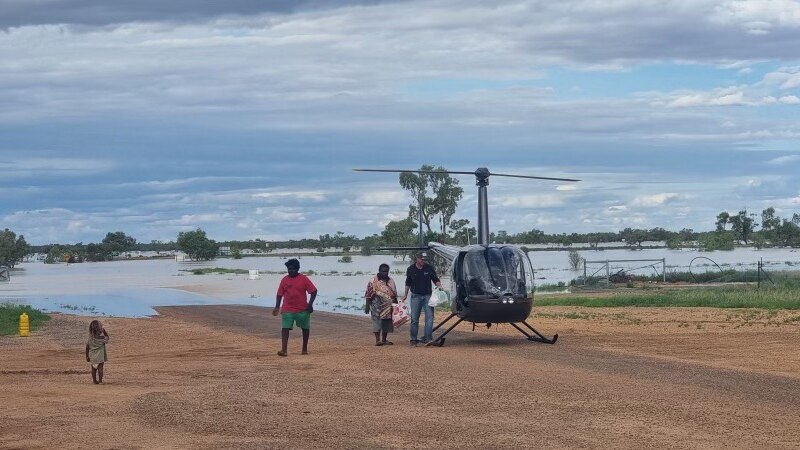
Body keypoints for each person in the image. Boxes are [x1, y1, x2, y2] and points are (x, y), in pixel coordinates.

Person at [273, 258, 317, 357]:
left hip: (303, 309)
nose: (290, 271)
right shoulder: (284, 279)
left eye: (292, 269)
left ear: (297, 269)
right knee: (285, 328)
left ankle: (304, 349)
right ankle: (284, 350)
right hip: (287, 308)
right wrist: (277, 307)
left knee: (305, 328)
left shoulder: (304, 279)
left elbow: (313, 291)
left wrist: (310, 305)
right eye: (289, 269)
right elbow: (279, 294)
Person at [401, 252, 442, 346]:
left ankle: (428, 338)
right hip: (415, 296)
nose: (423, 261)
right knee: (414, 318)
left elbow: (435, 279)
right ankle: (413, 339)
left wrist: (439, 286)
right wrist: (405, 295)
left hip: (428, 296)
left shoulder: (429, 268)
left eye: (425, 259)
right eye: (422, 259)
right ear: (417, 259)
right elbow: (408, 283)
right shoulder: (411, 269)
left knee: (430, 317)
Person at [364, 263, 397, 346]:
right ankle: (377, 340)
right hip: (376, 305)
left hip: (388, 306)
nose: (385, 273)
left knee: (387, 322)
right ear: (379, 271)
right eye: (383, 271)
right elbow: (368, 294)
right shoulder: (373, 281)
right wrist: (367, 306)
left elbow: (394, 293)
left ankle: (384, 340)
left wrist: (395, 303)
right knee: (377, 322)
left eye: (386, 271)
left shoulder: (391, 280)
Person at [85, 320, 109, 384]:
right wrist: (104, 331)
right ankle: (100, 381)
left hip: (92, 356)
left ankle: (94, 381)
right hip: (100, 356)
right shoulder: (101, 338)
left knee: (93, 369)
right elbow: (107, 339)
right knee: (100, 368)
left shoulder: (90, 338)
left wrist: (87, 356)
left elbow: (87, 347)